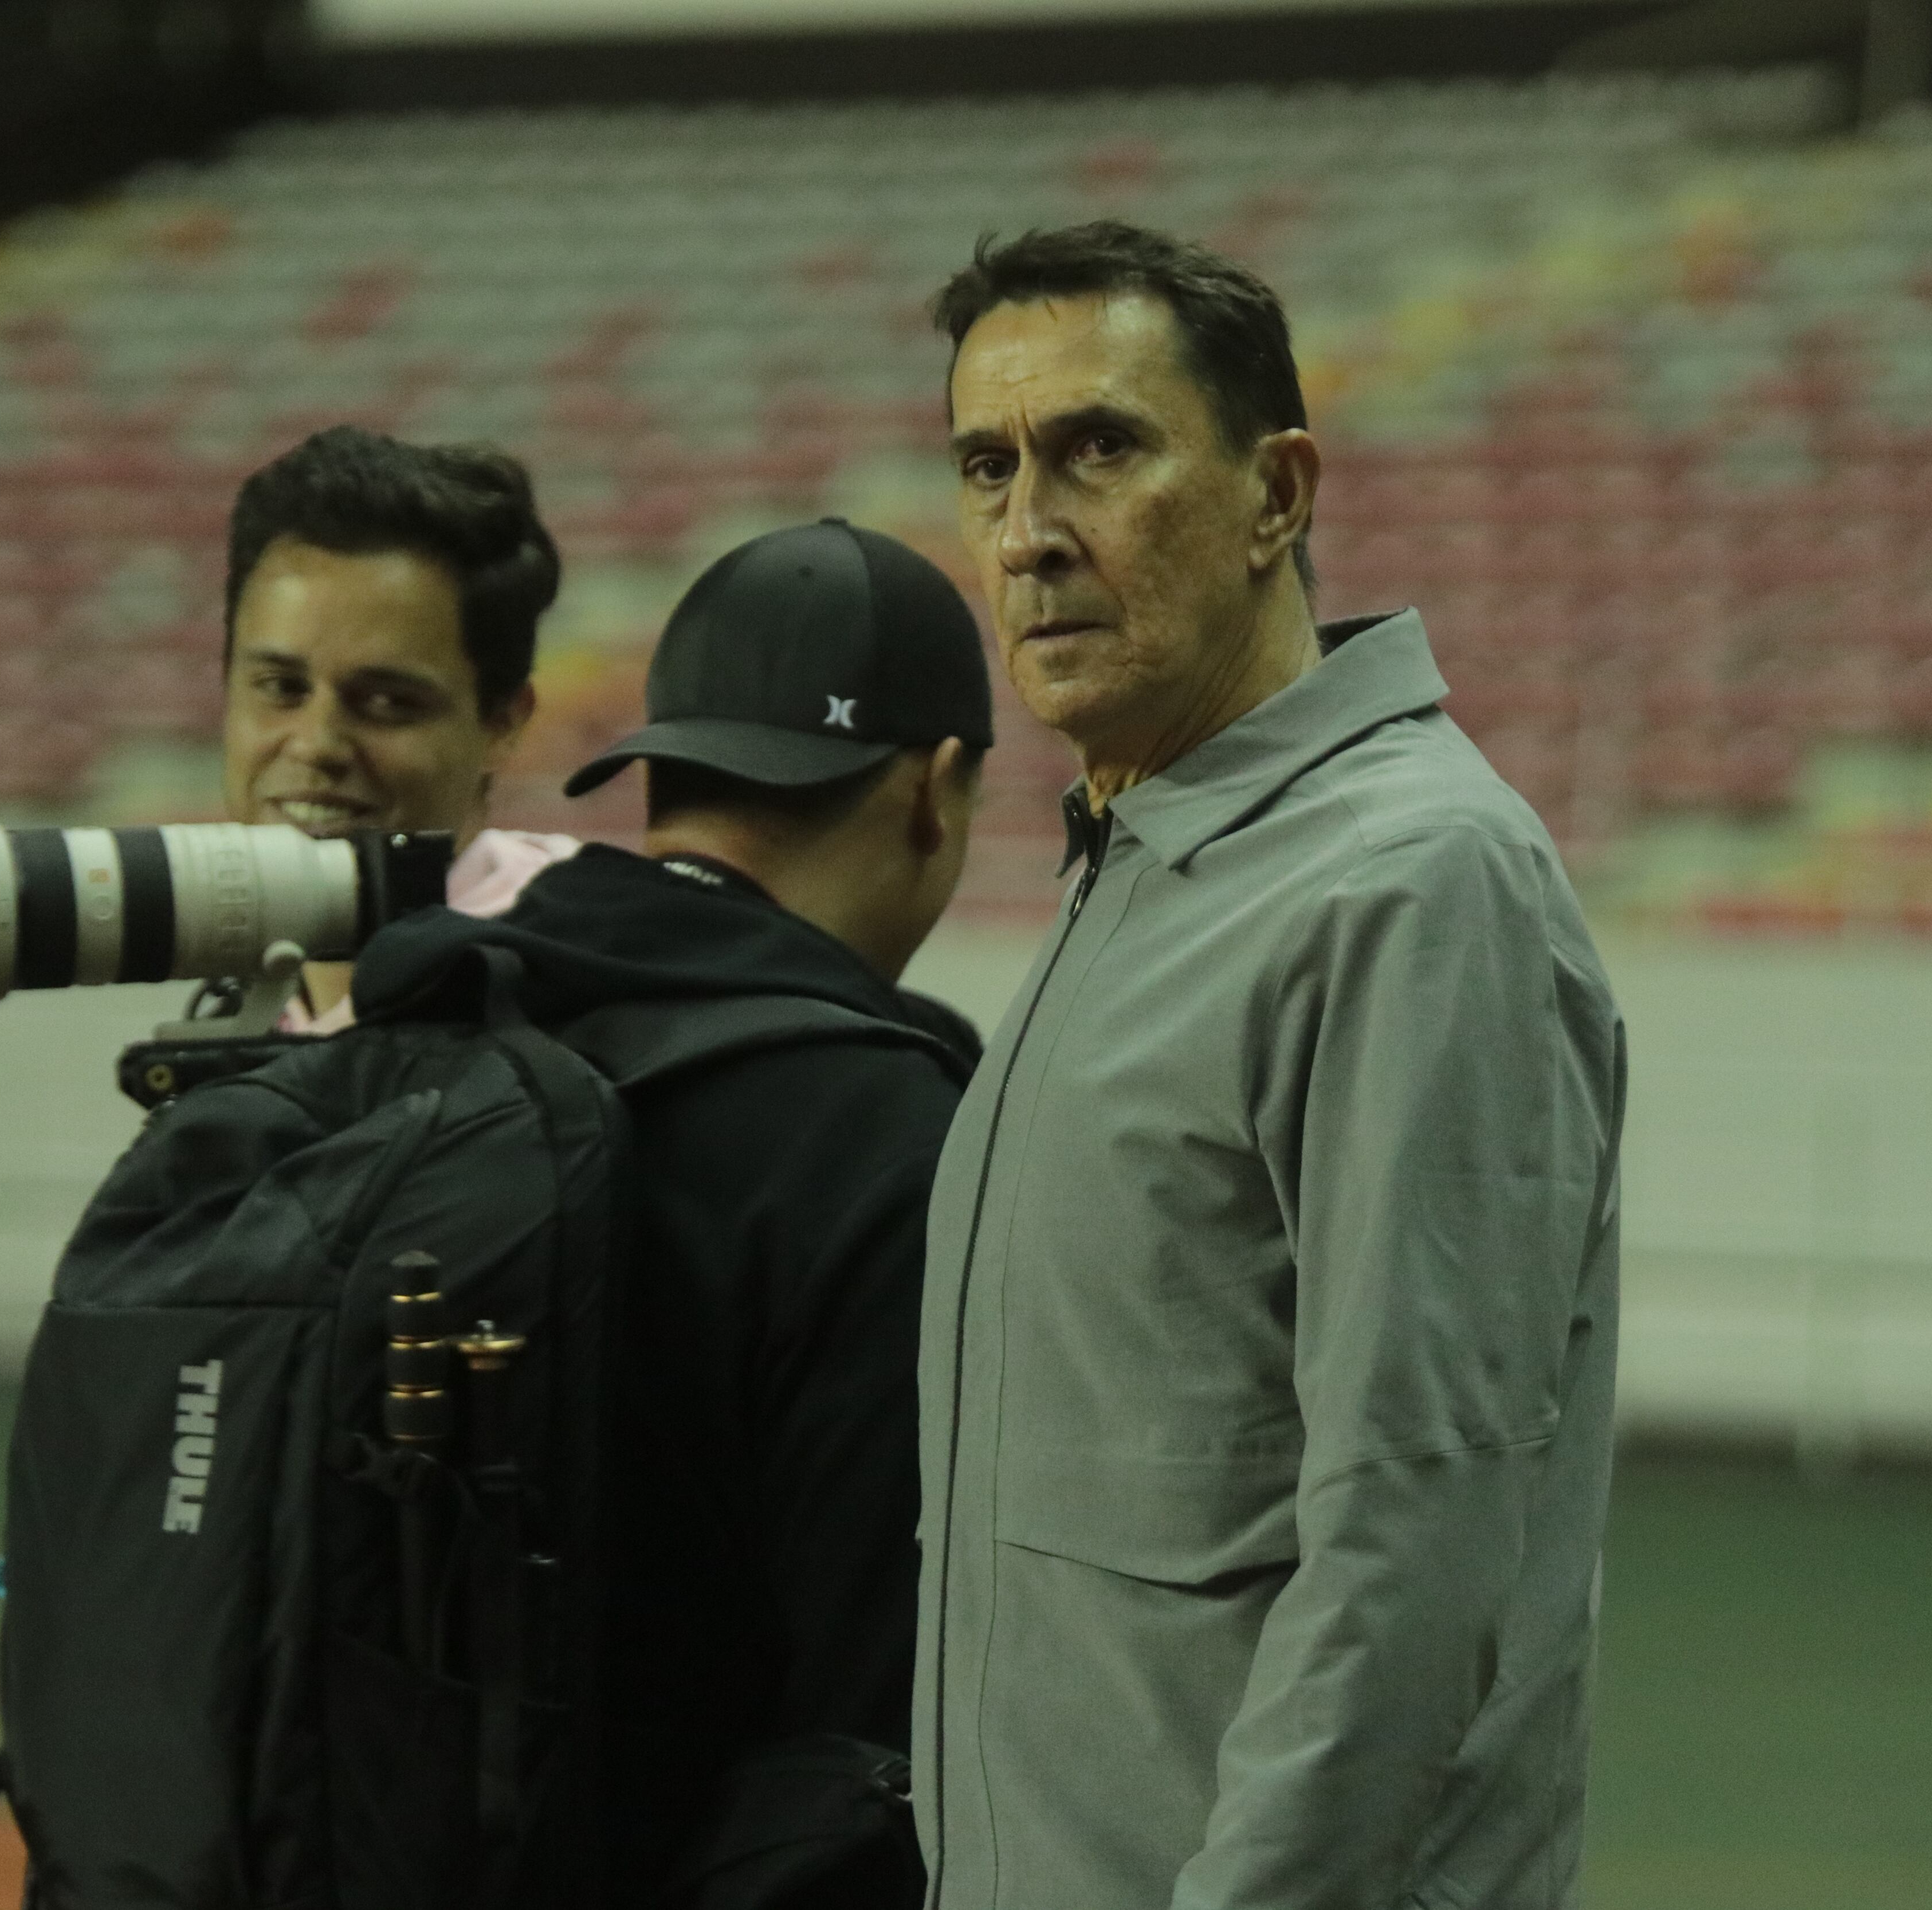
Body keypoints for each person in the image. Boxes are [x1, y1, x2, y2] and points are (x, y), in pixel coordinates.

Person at [913, 222, 1625, 1910]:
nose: (1028, 534)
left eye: (1101, 450)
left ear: (1276, 495)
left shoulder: (1403, 881)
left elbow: (1411, 1542)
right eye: (985, 468)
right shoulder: (1146, 853)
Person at [352, 515, 994, 1903]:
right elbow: (876, 1739)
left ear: (660, 776)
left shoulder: (436, 1012)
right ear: (937, 788)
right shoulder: (891, 1135)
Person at [217, 423, 580, 1030]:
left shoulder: (591, 981)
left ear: (501, 725)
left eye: (386, 702)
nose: (315, 745)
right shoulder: (241, 1004)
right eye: (283, 688)